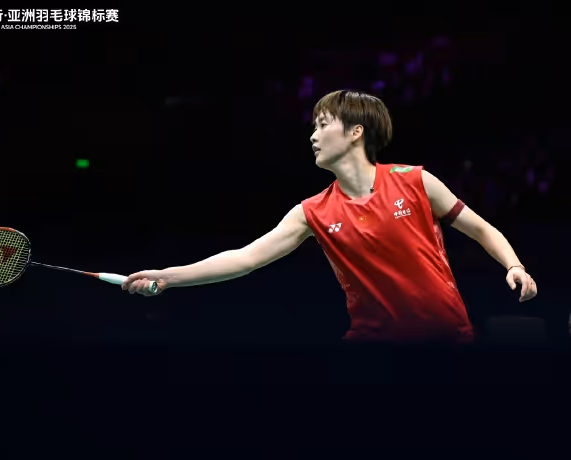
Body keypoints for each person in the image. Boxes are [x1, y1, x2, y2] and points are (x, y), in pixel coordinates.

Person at [121, 90, 537, 344]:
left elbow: (481, 228)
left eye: (322, 125)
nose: (313, 135)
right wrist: (169, 276)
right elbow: (245, 258)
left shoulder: (415, 181)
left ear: (356, 132)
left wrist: (514, 266)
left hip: (448, 342)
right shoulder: (312, 212)